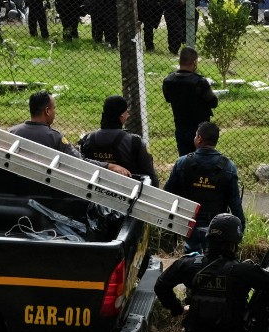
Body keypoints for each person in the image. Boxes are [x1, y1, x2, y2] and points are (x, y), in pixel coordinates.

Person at [163, 122, 244, 251]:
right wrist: (240, 229)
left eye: (196, 135)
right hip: (217, 228)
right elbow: (235, 204)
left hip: (187, 225)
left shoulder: (182, 163)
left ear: (199, 139)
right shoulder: (228, 167)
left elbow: (167, 194)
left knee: (191, 255)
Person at [77, 95, 156, 181]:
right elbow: (150, 175)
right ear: (121, 115)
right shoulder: (135, 141)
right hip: (128, 187)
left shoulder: (87, 139)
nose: (128, 115)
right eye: (126, 112)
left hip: (93, 184)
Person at [161, 46, 219, 159]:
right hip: (200, 131)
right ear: (195, 62)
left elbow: (168, 99)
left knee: (185, 159)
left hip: (180, 126)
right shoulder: (200, 82)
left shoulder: (168, 80)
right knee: (202, 159)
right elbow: (213, 102)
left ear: (180, 61)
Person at [9, 91, 75, 154]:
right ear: (47, 111)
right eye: (54, 108)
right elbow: (77, 158)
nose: (55, 112)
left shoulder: (12, 132)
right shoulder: (55, 138)